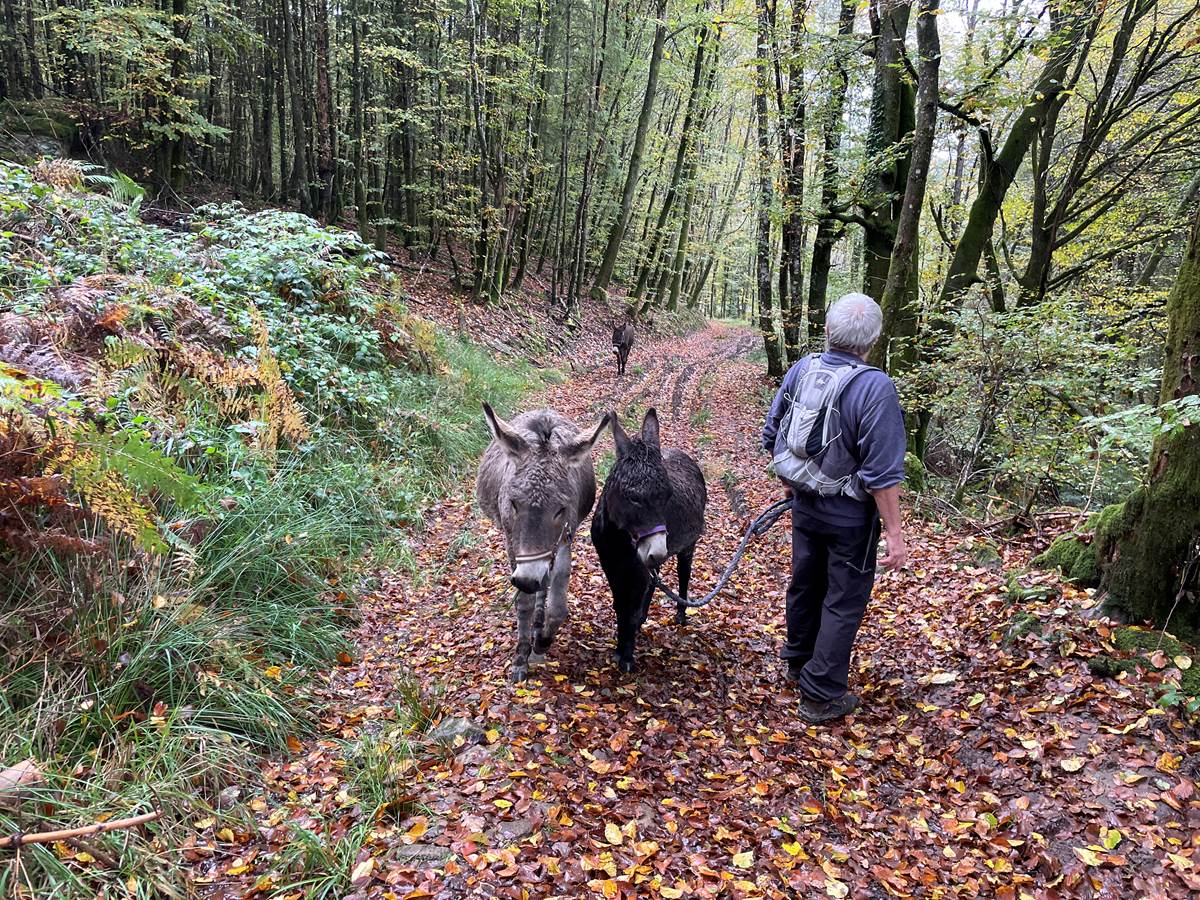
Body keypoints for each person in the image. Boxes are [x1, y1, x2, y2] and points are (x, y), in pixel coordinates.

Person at [761, 293, 907, 723]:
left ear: (827, 330)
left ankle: (797, 661)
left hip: (804, 505)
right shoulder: (875, 387)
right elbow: (883, 473)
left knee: (806, 583)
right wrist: (895, 535)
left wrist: (795, 484)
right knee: (842, 600)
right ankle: (821, 694)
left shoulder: (802, 369)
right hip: (850, 518)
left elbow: (773, 437)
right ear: (873, 340)